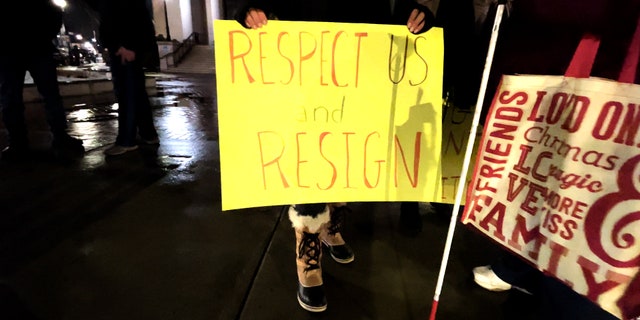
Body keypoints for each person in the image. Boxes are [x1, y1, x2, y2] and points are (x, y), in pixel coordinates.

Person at [236, 1, 435, 312]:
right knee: (309, 157)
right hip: (305, 64)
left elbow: (398, 7)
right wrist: (250, 9)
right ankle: (308, 255)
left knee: (345, 157)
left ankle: (330, 228)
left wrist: (417, 15)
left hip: (365, 67)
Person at [471, 0, 640, 319]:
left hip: (613, 97)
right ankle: (524, 268)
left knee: (591, 219)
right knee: (552, 187)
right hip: (584, 76)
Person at [0, 0, 84, 161]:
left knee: (19, 98)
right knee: (17, 98)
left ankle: (23, 142)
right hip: (23, 48)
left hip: (26, 48)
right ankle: (21, 141)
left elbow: (53, 12)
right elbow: (54, 11)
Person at [86, 0, 160, 156]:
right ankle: (148, 134)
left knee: (127, 94)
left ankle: (127, 140)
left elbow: (122, 18)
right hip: (127, 47)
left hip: (124, 48)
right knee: (136, 92)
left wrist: (124, 46)